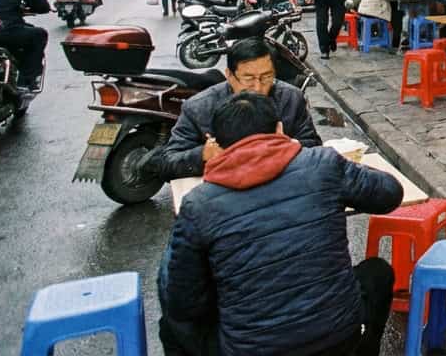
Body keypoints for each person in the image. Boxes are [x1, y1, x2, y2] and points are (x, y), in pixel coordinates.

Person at [158, 91, 400, 356]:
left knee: (172, 323)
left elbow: (182, 302)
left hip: (252, 349)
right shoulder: (322, 165)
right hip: (337, 336)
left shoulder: (197, 203)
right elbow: (389, 192)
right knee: (377, 273)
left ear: (215, 143)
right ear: (280, 129)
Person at [151, 37, 321, 181]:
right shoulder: (198, 107)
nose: (258, 87)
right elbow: (168, 162)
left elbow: (313, 144)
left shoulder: (290, 98)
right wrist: (202, 155)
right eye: (248, 78)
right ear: (229, 75)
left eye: (267, 77)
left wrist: (289, 145)